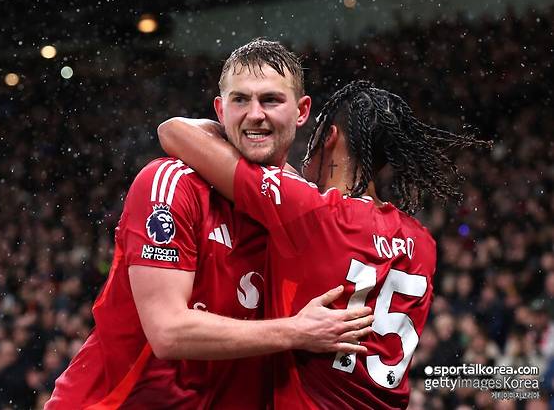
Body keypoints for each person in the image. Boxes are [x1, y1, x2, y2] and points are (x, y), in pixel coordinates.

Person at [45, 40, 374, 409]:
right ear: (220, 110)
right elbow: (168, 332)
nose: (255, 114)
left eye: (270, 100)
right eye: (240, 100)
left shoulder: (301, 209)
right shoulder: (170, 183)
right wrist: (297, 331)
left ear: (301, 111)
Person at [158, 79, 489, 409]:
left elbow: (173, 132)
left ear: (329, 136)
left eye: (316, 130)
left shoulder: (309, 211)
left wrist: (240, 128)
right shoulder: (422, 242)